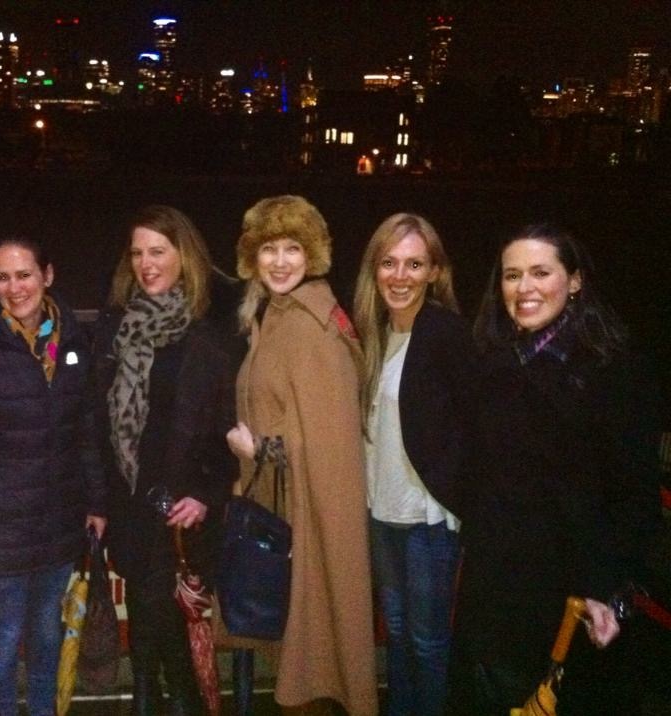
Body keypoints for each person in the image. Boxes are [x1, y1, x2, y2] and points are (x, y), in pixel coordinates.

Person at [448, 224, 664, 715]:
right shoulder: (493, 364)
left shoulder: (614, 372)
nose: (524, 288)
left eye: (540, 272)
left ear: (575, 281)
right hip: (494, 587)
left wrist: (609, 589)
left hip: (570, 597)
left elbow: (635, 497)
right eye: (512, 275)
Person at [0, 234, 107, 716]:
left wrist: (97, 502)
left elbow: (87, 428)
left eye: (25, 275)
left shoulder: (72, 341)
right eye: (3, 277)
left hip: (59, 518)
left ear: (46, 275)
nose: (15, 288)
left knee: (48, 631)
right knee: (5, 636)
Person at [225, 195, 379, 715]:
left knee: (314, 654)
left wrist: (258, 448)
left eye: (293, 248)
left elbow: (330, 443)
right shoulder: (278, 314)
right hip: (285, 506)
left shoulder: (314, 327)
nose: (280, 261)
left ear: (312, 256)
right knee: (301, 648)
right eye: (269, 249)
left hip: (311, 515)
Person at [92, 205, 236, 716]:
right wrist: (97, 498)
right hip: (129, 499)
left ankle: (167, 700)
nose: (146, 264)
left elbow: (229, 427)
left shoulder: (210, 334)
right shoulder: (116, 327)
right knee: (146, 606)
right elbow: (96, 421)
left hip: (181, 505)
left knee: (163, 610)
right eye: (137, 253)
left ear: (184, 256)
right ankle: (152, 696)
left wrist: (206, 493)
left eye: (158, 251)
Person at [352, 213, 475, 716]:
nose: (400, 276)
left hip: (428, 518)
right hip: (381, 512)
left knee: (427, 641)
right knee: (398, 635)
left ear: (434, 272)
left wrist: (454, 496)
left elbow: (475, 424)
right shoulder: (374, 334)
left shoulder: (446, 333)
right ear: (374, 269)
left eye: (414, 264)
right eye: (389, 263)